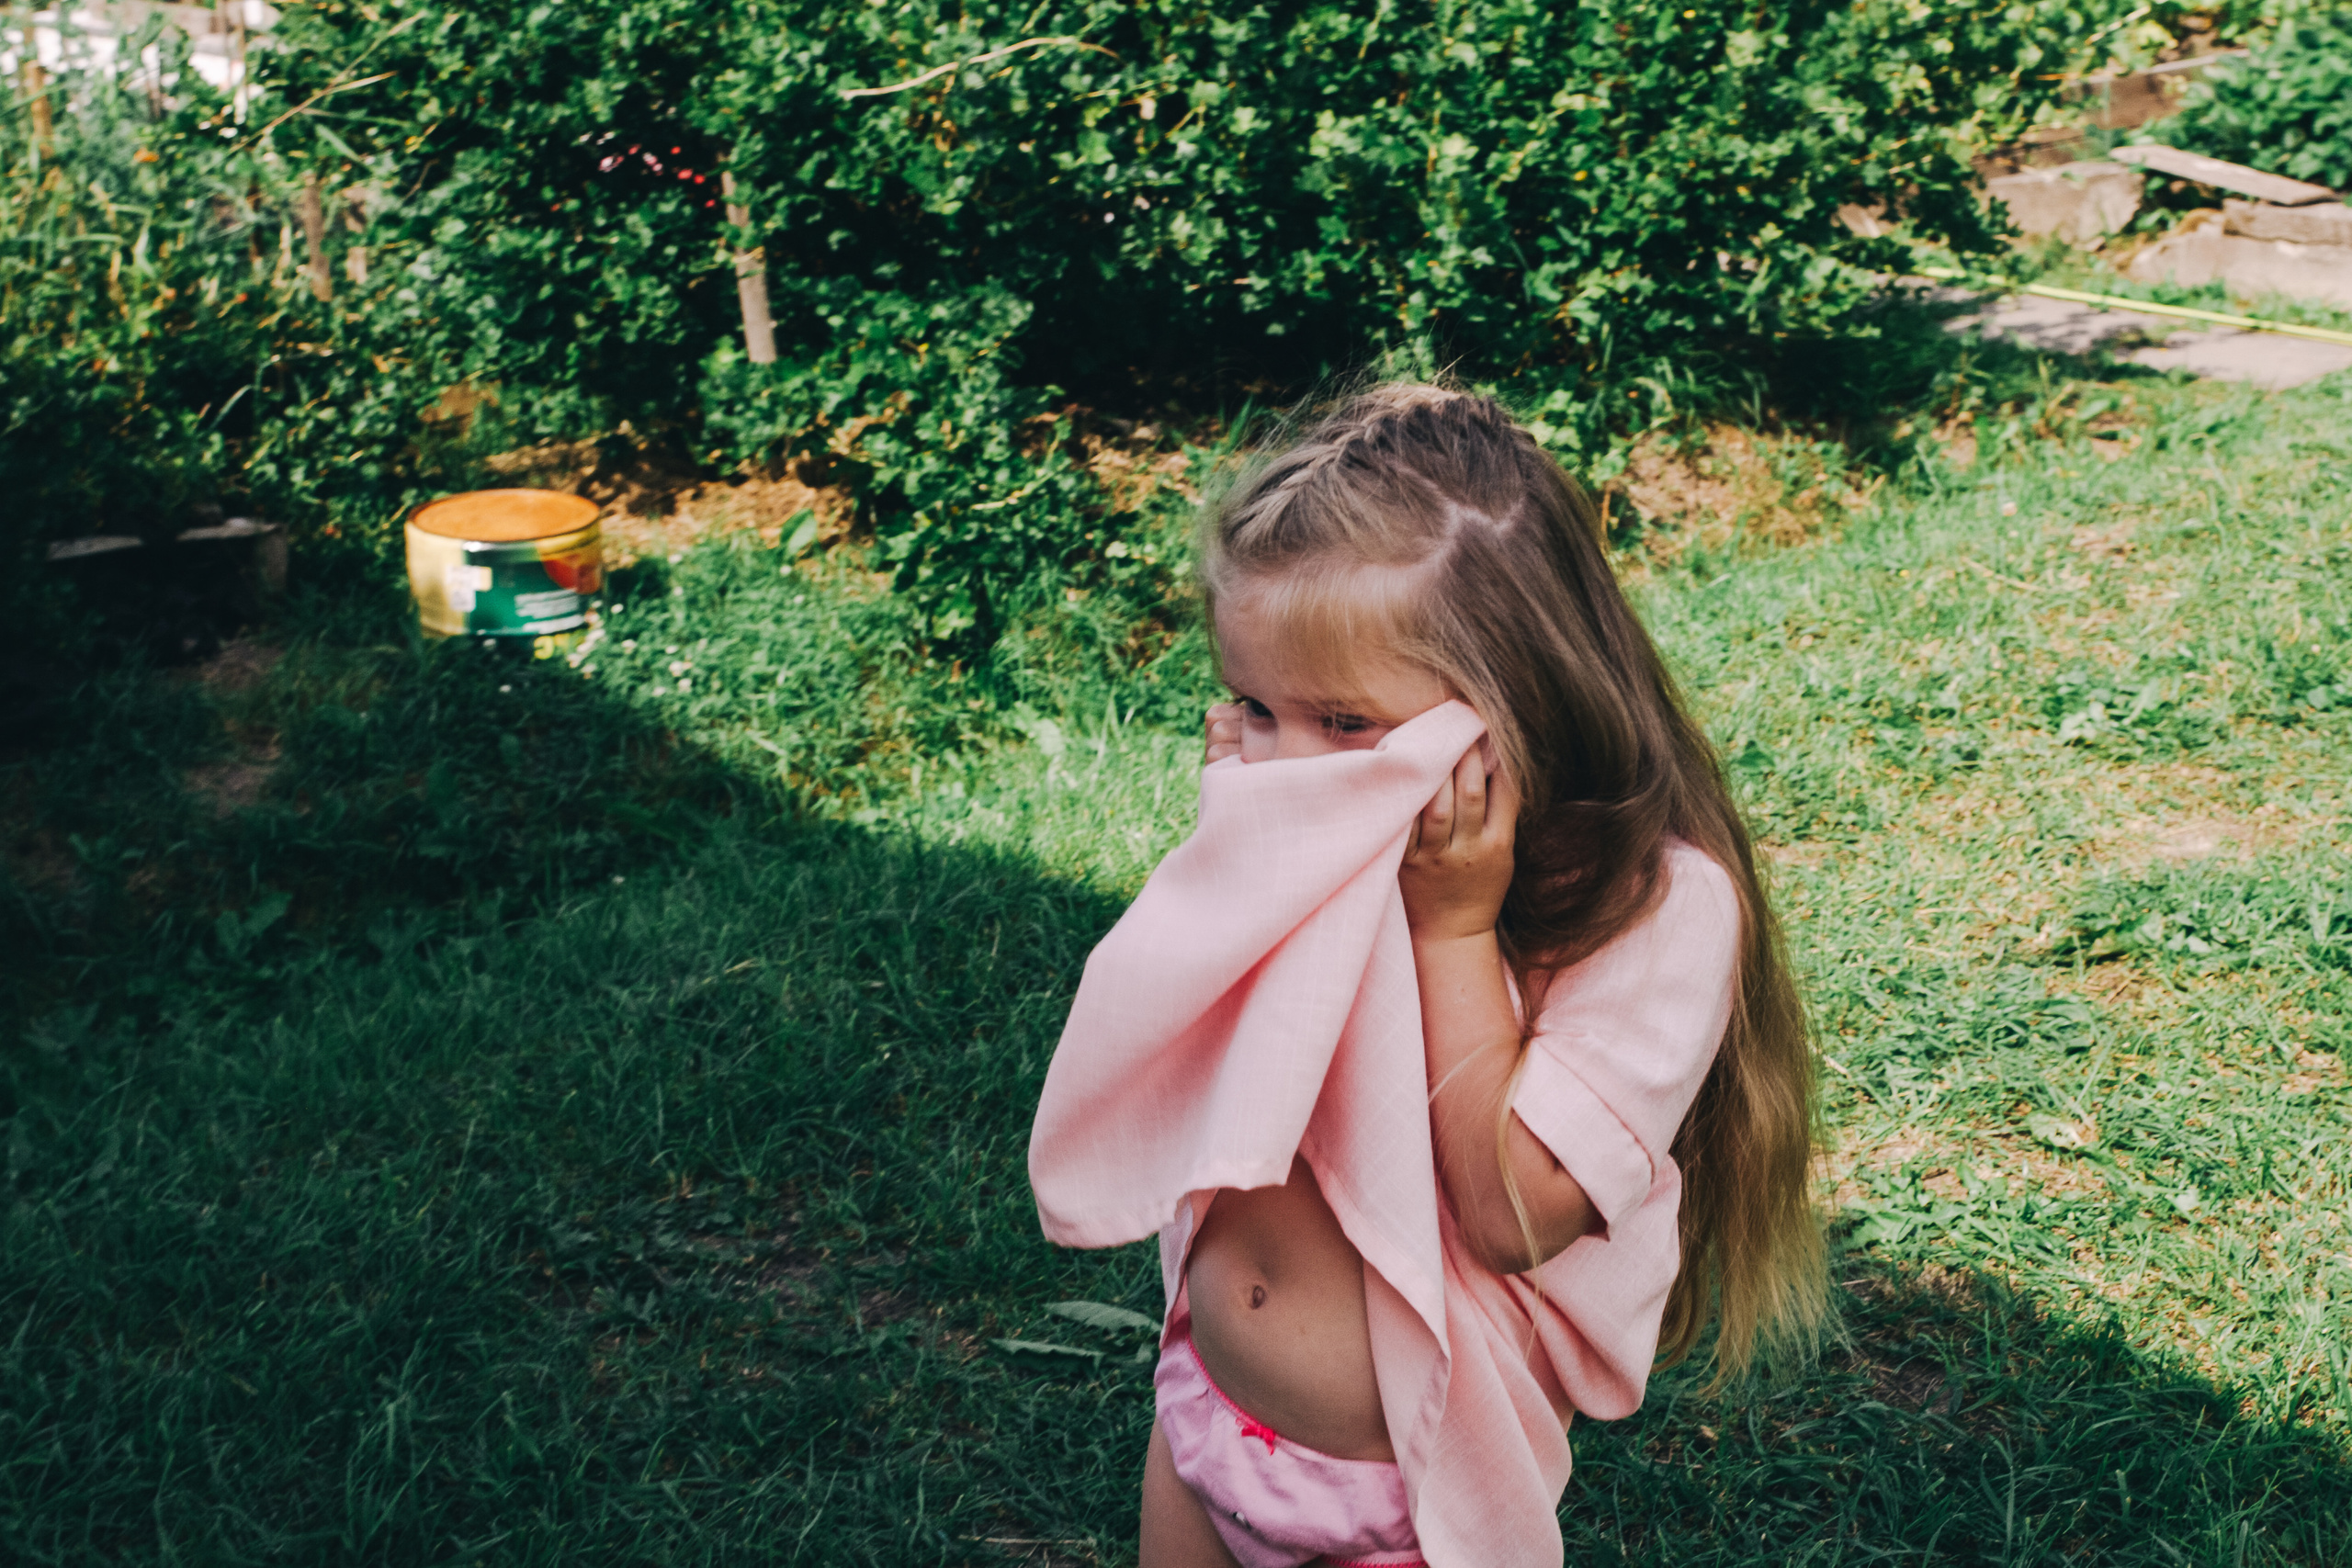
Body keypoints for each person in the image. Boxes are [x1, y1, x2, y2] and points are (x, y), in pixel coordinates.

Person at [1139, 382, 1826, 1567]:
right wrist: (1233, 856)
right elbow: (1193, 1060)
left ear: (1513, 702)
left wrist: (1453, 932)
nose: (1288, 759)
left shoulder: (1653, 910)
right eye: (1255, 705)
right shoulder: (1323, 841)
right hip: (1201, 1419)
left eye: (1345, 724)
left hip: (1411, 1503)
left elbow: (1513, 1216)